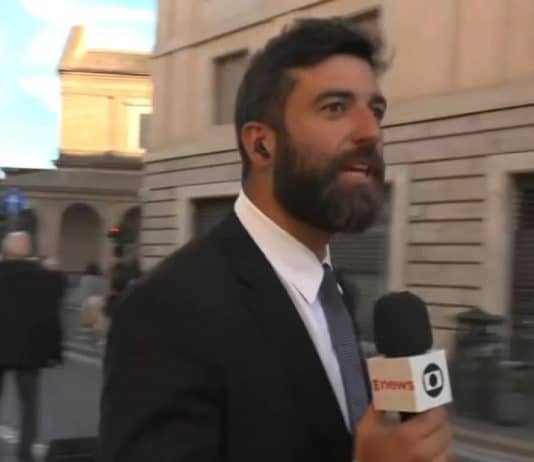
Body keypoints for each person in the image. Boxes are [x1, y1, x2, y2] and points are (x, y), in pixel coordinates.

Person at [99, 18, 453, 462]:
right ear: (261, 145)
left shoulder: (338, 295)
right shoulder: (165, 311)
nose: (371, 132)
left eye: (376, 111)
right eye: (335, 108)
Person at [0, 232, 64, 462]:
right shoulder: (45, 277)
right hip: (30, 351)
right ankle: (25, 454)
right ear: (29, 252)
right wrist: (54, 351)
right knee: (29, 406)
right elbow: (54, 306)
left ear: (5, 251)